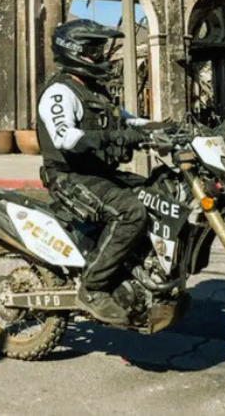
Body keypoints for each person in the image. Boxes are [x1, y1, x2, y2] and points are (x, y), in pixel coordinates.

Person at [36, 19, 150, 325]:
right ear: (76, 52)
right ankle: (94, 287)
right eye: (94, 51)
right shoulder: (60, 92)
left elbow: (131, 121)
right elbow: (65, 136)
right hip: (70, 177)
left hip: (96, 173)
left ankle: (140, 274)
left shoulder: (96, 92)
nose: (102, 57)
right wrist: (114, 137)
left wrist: (164, 130)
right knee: (131, 213)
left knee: (158, 194)